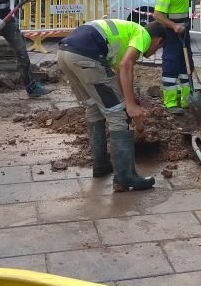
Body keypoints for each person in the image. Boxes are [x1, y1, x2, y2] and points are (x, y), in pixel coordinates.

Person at [57, 18, 168, 191]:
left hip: (65, 54)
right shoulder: (143, 34)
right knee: (119, 115)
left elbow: (117, 73)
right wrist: (129, 106)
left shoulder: (126, 34)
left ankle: (101, 165)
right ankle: (126, 177)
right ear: (158, 40)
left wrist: (128, 97)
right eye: (157, 49)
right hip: (87, 56)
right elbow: (126, 66)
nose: (153, 52)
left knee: (94, 108)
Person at [151, 0, 196, 115]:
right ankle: (170, 103)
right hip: (171, 34)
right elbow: (157, 14)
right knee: (171, 66)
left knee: (186, 66)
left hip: (183, 33)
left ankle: (186, 101)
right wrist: (174, 26)